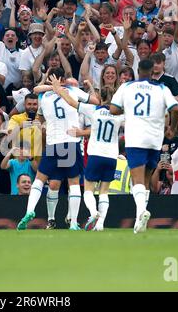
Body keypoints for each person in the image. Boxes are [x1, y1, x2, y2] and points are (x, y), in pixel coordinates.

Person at [110, 59, 178, 233]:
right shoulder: (162, 88)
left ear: (138, 70)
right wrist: (172, 128)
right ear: (152, 71)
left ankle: (141, 212)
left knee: (137, 179)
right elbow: (175, 108)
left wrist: (127, 108)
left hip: (136, 137)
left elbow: (113, 109)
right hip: (155, 139)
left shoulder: (127, 87)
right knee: (146, 179)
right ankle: (140, 222)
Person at [17, 67, 87, 231]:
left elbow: (37, 98)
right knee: (73, 183)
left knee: (41, 180)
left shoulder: (44, 97)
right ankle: (74, 222)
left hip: (52, 144)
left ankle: (30, 211)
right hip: (70, 142)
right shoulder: (73, 91)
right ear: (63, 80)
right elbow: (95, 101)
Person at [52, 76, 124, 231]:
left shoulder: (93, 110)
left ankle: (93, 213)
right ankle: (100, 224)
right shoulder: (119, 115)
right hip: (112, 157)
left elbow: (72, 102)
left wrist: (59, 91)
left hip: (95, 155)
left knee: (89, 191)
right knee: (104, 191)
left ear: (100, 98)